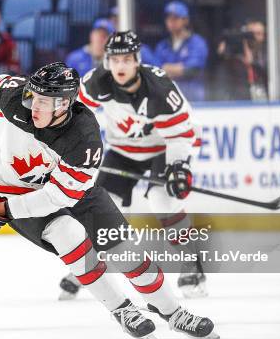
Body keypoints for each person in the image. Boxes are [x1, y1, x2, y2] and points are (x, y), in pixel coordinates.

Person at [0, 62, 218, 339]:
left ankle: (172, 311)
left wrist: (0, 210)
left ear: (63, 104)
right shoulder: (15, 99)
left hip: (70, 189)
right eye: (33, 98)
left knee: (125, 251)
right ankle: (121, 310)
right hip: (17, 190)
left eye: (44, 102)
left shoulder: (84, 139)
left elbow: (55, 197)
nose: (34, 107)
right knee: (67, 234)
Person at [61, 31, 206, 300]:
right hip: (124, 149)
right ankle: (87, 266)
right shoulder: (96, 82)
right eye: (114, 60)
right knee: (102, 206)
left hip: (165, 146)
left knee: (163, 200)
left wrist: (178, 166)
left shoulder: (159, 88)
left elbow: (180, 135)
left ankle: (192, 262)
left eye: (127, 59)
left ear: (137, 60)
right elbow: (75, 114)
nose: (120, 66)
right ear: (107, 61)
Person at [154, 0, 208, 101]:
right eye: (169, 18)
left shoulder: (197, 42)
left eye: (176, 18)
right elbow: (156, 72)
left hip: (193, 99)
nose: (171, 21)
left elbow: (192, 70)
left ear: (185, 20)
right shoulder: (162, 46)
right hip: (168, 99)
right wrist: (178, 68)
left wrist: (167, 68)